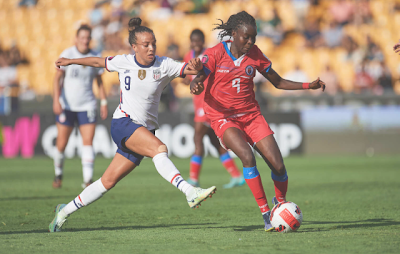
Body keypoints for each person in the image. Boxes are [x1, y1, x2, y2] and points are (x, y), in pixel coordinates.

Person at [49, 17, 216, 233]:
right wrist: (71, 61)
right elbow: (98, 62)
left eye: (153, 43)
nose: (151, 48)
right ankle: (189, 192)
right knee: (159, 149)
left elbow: (194, 70)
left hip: (143, 131)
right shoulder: (124, 61)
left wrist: (197, 74)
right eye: (146, 44)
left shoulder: (164, 65)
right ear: (134, 47)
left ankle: (63, 212)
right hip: (123, 123)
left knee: (107, 182)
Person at [189, 11, 325, 231]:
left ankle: (279, 203)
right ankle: (265, 215)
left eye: (254, 37)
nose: (250, 42)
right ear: (233, 34)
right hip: (222, 117)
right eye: (246, 37)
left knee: (278, 166)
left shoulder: (255, 54)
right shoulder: (215, 53)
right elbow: (201, 74)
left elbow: (278, 82)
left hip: (251, 115)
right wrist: (195, 83)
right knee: (246, 156)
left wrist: (307, 86)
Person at [183, 29, 245, 189]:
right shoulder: (187, 56)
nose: (196, 44)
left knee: (197, 139)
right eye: (193, 41)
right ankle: (236, 176)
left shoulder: (208, 56)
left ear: (203, 41)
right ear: (190, 41)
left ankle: (193, 179)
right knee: (214, 142)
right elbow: (189, 77)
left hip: (207, 104)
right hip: (198, 102)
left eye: (199, 41)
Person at [52, 25, 108, 189]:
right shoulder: (67, 54)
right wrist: (56, 100)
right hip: (67, 105)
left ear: (90, 39)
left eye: (87, 38)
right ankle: (58, 174)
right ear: (76, 38)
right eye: (82, 37)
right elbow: (57, 79)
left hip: (87, 104)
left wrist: (103, 101)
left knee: (88, 142)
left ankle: (87, 180)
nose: (85, 41)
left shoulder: (95, 55)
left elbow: (99, 81)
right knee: (61, 144)